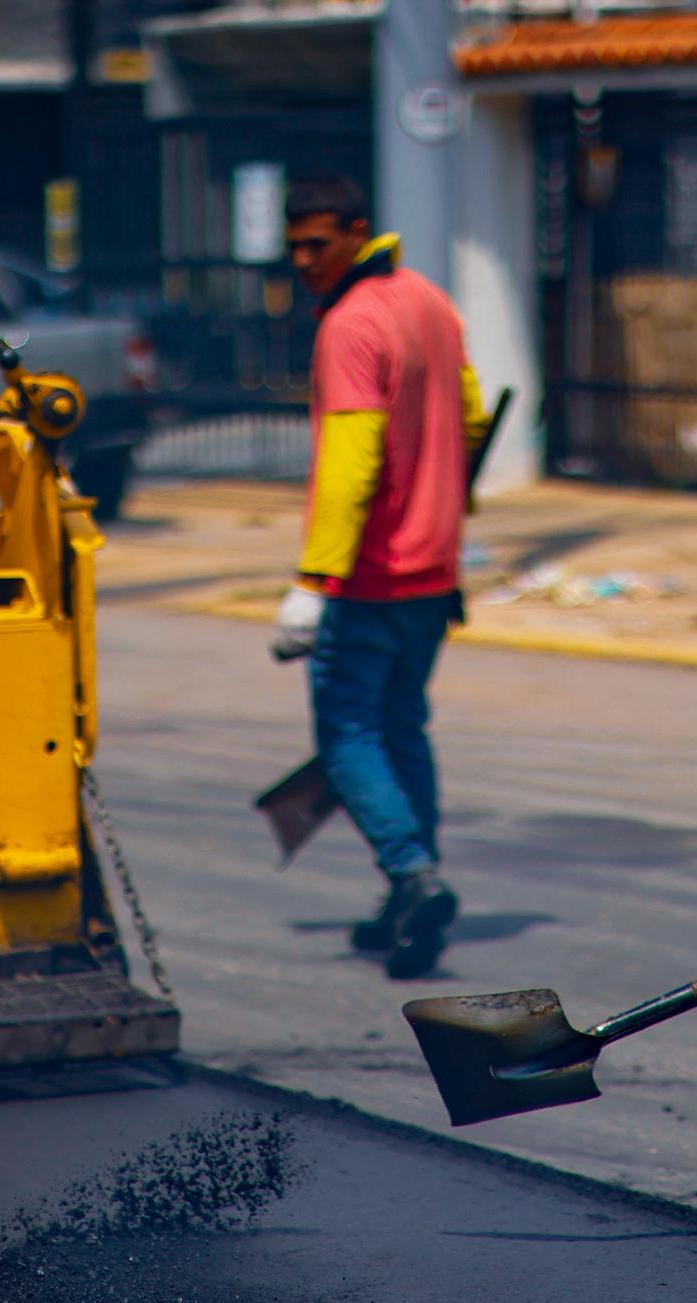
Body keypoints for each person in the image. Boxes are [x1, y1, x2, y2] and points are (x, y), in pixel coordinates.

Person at [271, 173, 491, 979]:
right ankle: (408, 900)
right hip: (434, 573)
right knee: (403, 728)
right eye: (293, 246)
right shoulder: (430, 302)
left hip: (370, 578)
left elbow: (352, 465)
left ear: (358, 231)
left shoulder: (350, 324)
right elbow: (468, 420)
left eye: (318, 245)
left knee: (348, 735)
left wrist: (313, 578)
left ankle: (410, 873)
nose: (303, 261)